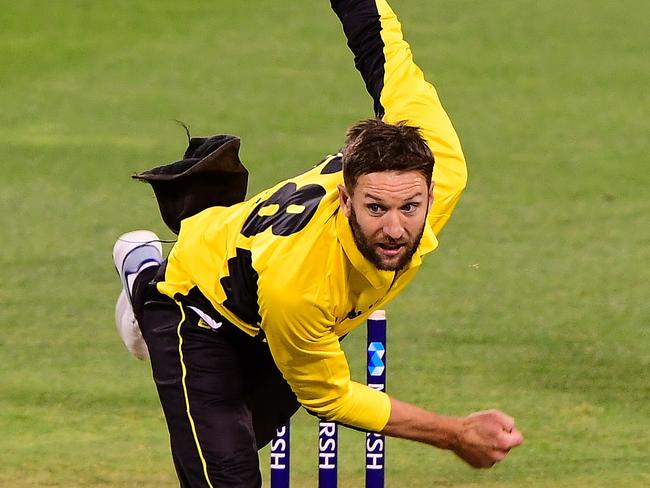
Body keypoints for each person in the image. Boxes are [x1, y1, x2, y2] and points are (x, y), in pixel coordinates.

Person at [112, 0, 523, 486]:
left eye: (410, 208)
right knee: (224, 476)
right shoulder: (302, 283)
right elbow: (330, 397)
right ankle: (146, 276)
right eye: (375, 209)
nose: (395, 229)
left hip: (273, 299)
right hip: (202, 311)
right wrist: (454, 433)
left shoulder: (443, 165)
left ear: (432, 192)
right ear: (346, 199)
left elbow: (381, 46)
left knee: (245, 433)